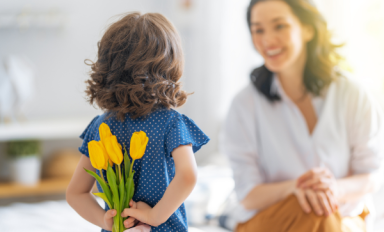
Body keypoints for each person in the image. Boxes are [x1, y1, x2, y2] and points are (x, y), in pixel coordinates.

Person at [220, 0, 384, 231]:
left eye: (279, 26)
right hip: (270, 220)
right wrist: (295, 188)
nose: (267, 40)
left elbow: (371, 176)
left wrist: (333, 189)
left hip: (341, 217)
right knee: (316, 213)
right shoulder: (244, 105)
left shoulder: (351, 94)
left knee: (323, 214)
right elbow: (248, 194)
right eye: (258, 30)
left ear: (308, 29)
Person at [66, 12, 210, 232]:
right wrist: (155, 215)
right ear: (170, 66)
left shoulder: (101, 126)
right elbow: (188, 175)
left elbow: (75, 193)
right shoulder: (172, 123)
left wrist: (105, 220)